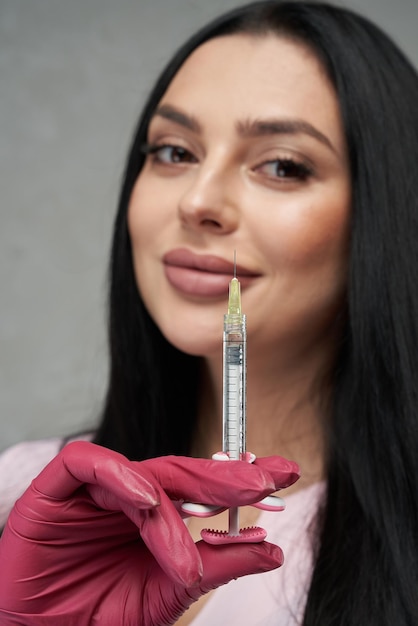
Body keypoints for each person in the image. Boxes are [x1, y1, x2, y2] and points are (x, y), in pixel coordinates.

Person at [1, 0, 418, 624]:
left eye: (282, 165)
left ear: (385, 215)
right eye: (173, 152)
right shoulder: (28, 497)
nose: (198, 201)